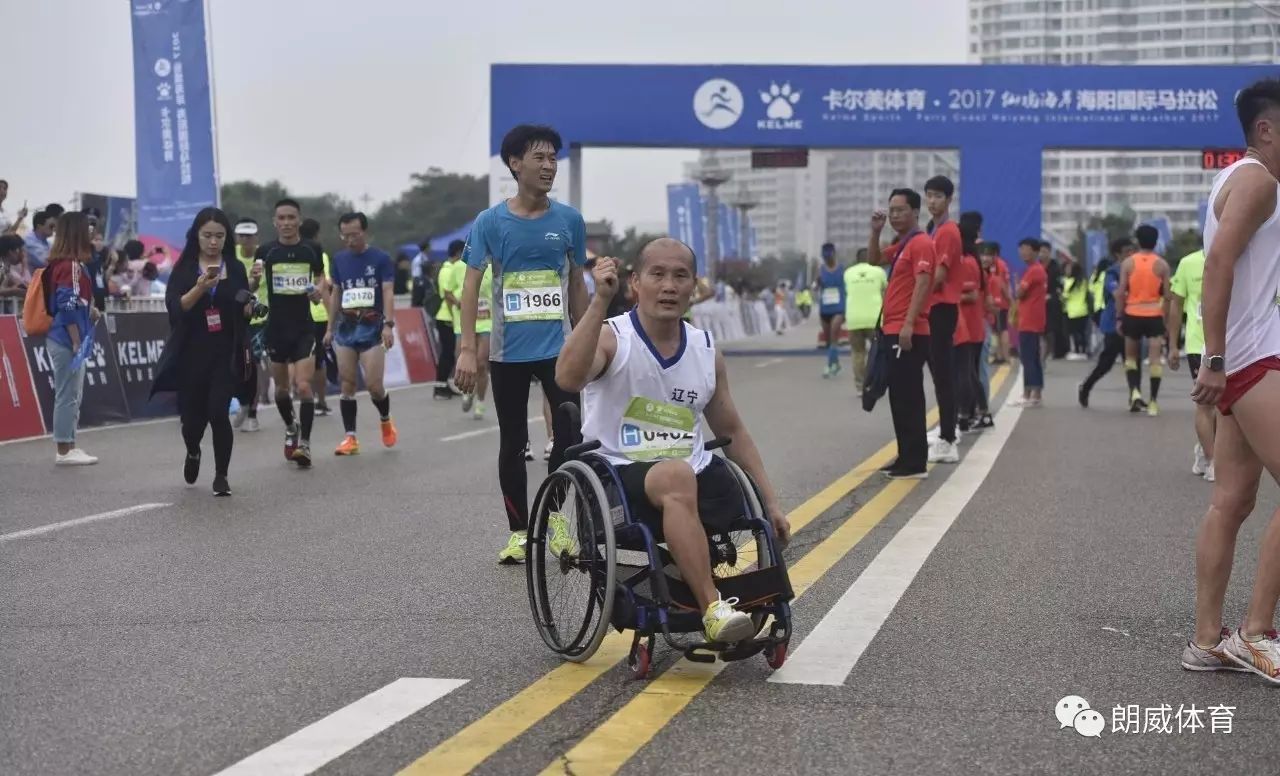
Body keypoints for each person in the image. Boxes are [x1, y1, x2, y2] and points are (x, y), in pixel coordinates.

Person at [557, 239, 791, 643]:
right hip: (619, 474)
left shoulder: (704, 349)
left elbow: (732, 431)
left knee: (719, 485)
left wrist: (771, 502)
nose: (669, 286)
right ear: (636, 283)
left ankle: (738, 597)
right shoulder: (614, 338)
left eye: (680, 276)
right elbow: (567, 378)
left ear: (693, 287)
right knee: (676, 476)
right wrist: (599, 302)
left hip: (691, 473)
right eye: (658, 275)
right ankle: (712, 607)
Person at [1181, 78, 1280, 681]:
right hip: (1251, 361)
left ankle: (1207, 640)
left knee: (1232, 500)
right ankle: (1257, 632)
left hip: (1242, 359)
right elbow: (1218, 265)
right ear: (1266, 129)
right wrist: (1214, 360)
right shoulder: (1258, 181)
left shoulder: (1236, 180)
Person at [454, 123, 589, 564]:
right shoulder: (490, 222)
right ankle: (518, 531)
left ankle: (552, 517)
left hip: (559, 350)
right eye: (540, 158)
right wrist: (468, 350)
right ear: (515, 164)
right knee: (512, 442)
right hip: (507, 353)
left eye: (553, 158)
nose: (549, 166)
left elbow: (576, 285)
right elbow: (471, 288)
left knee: (569, 434)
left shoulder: (569, 220)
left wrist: (591, 339)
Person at [152, 208, 251, 496]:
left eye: (219, 236)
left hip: (225, 351)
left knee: (218, 412)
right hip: (191, 351)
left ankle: (221, 475)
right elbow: (175, 307)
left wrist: (249, 305)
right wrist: (199, 288)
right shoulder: (184, 268)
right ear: (196, 235)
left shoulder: (234, 267)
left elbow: (242, 307)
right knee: (192, 421)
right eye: (207, 235)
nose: (213, 242)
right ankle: (193, 450)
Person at [254, 198, 328, 467]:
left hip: (304, 328)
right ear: (275, 222)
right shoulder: (266, 251)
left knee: (303, 385)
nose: (286, 223)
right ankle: (290, 426)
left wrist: (319, 289)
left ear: (299, 220)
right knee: (282, 391)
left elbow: (321, 278)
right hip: (276, 329)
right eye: (281, 218)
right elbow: (253, 284)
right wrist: (252, 278)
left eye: (291, 218)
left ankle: (305, 445)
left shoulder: (312, 249)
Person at [869, 189, 935, 480]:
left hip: (907, 331)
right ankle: (906, 455)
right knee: (898, 396)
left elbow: (923, 284)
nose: (894, 215)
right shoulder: (903, 244)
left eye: (900, 210)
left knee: (909, 396)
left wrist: (909, 324)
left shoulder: (921, 243)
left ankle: (915, 461)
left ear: (915, 212)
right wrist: (875, 232)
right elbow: (873, 260)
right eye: (891, 210)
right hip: (892, 329)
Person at [326, 212, 398, 455]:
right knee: (347, 382)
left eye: (354, 234)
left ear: (364, 232)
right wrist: (329, 327)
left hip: (372, 327)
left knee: (374, 385)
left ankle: (385, 419)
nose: (349, 240)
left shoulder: (380, 258)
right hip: (346, 328)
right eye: (344, 235)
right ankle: (350, 438)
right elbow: (336, 293)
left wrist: (389, 324)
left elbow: (388, 291)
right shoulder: (339, 260)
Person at [44, 212, 100, 465]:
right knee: (68, 394)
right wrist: (76, 340)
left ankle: (70, 445)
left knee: (72, 394)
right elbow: (67, 304)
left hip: (68, 336)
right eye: (87, 228)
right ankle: (64, 450)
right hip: (67, 339)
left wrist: (91, 313)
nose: (91, 232)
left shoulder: (69, 265)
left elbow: (76, 302)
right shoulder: (71, 266)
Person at [923, 176, 961, 465]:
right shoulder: (932, 230)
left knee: (943, 374)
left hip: (942, 308)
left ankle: (949, 437)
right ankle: (947, 428)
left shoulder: (948, 231)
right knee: (937, 373)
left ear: (949, 199)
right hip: (932, 308)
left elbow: (939, 275)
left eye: (938, 196)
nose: (932, 201)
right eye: (929, 195)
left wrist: (917, 295)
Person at [1167, 243, 1213, 481]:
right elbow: (1176, 305)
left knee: (1229, 409)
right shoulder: (1188, 263)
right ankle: (1213, 461)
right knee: (1206, 404)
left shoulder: (1244, 254)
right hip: (1198, 345)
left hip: (1235, 343)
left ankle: (1205, 449)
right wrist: (1173, 345)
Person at [1115, 224, 1171, 416]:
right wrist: (1166, 320)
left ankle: (1135, 392)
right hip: (1154, 314)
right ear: (1156, 241)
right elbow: (1168, 295)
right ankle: (1154, 402)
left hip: (1132, 314)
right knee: (1155, 359)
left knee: (1131, 358)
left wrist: (1119, 317)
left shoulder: (1128, 263)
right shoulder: (1162, 265)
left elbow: (1121, 292)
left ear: (1138, 241)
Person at [1078, 238, 1134, 408]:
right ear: (1118, 254)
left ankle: (1134, 396)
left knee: (1131, 361)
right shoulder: (1112, 272)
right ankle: (1086, 387)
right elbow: (1118, 293)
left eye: (1132, 251)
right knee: (1106, 363)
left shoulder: (1135, 270)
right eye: (1127, 252)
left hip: (1132, 321)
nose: (1131, 255)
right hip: (1113, 324)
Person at [954, 215, 992, 431]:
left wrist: (947, 296)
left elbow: (972, 295)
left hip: (969, 326)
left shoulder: (968, 262)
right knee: (969, 372)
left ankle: (975, 414)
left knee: (968, 372)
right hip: (968, 325)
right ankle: (970, 414)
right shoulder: (970, 260)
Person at [231, 218, 267, 433]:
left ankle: (252, 414)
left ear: (256, 237)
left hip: (259, 319)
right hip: (234, 318)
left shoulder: (264, 257)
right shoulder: (229, 257)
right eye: (241, 235)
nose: (245, 239)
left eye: (249, 235)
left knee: (252, 364)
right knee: (235, 366)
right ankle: (243, 402)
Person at [300, 217, 333, 417]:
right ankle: (320, 401)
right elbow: (326, 283)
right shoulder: (320, 254)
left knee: (301, 359)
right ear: (317, 234)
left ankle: (306, 398)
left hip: (298, 313)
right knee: (318, 361)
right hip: (319, 314)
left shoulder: (291, 254)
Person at [843, 247, 886, 392]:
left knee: (857, 353)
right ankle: (874, 383)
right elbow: (886, 291)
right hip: (874, 319)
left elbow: (846, 292)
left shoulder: (848, 273)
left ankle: (861, 386)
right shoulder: (879, 272)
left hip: (854, 319)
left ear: (857, 259)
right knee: (877, 351)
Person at [1014, 237, 1048, 407]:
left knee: (1028, 358)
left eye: (1026, 248)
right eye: (1021, 248)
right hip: (1031, 320)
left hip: (1030, 321)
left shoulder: (1034, 270)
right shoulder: (1036, 270)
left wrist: (1017, 285)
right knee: (1031, 357)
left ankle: (1031, 393)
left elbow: (1019, 293)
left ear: (1035, 251)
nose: (1022, 252)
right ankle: (1032, 393)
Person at [460, 259, 495, 419]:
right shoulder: (462, 267)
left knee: (481, 363)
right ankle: (469, 391)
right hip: (469, 322)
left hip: (488, 322)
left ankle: (480, 401)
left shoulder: (496, 266)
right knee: (467, 362)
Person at [434, 239, 465, 400]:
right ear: (459, 252)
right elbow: (447, 295)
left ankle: (443, 384)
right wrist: (454, 317)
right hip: (447, 316)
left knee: (449, 353)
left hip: (448, 316)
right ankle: (440, 385)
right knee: (448, 353)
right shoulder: (448, 269)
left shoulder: (449, 268)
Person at [814, 242, 846, 377]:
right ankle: (836, 363)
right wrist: (817, 283)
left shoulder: (842, 269)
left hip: (839, 308)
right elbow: (815, 287)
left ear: (834, 254)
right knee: (828, 340)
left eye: (829, 256)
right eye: (825, 257)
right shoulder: (820, 270)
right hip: (825, 308)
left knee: (834, 333)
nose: (827, 259)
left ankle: (830, 366)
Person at [987, 242, 1013, 364]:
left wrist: (1009, 300)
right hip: (999, 302)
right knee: (997, 330)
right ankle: (1000, 355)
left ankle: (1005, 356)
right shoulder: (1002, 264)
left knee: (1002, 329)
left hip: (999, 303)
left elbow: (1002, 284)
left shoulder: (997, 265)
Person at [1042, 241, 1067, 361]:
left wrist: (1051, 296)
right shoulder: (1037, 266)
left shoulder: (1056, 268)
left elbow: (1061, 286)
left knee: (1052, 328)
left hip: (1053, 302)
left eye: (1045, 252)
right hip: (1039, 302)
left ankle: (1053, 351)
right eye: (1040, 252)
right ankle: (1044, 351)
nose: (1042, 254)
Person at [1062, 257, 1090, 360]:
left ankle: (1077, 351)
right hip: (1083, 310)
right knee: (1082, 332)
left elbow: (1065, 296)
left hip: (1072, 311)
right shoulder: (1083, 281)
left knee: (1074, 333)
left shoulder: (1069, 282)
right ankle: (1084, 351)